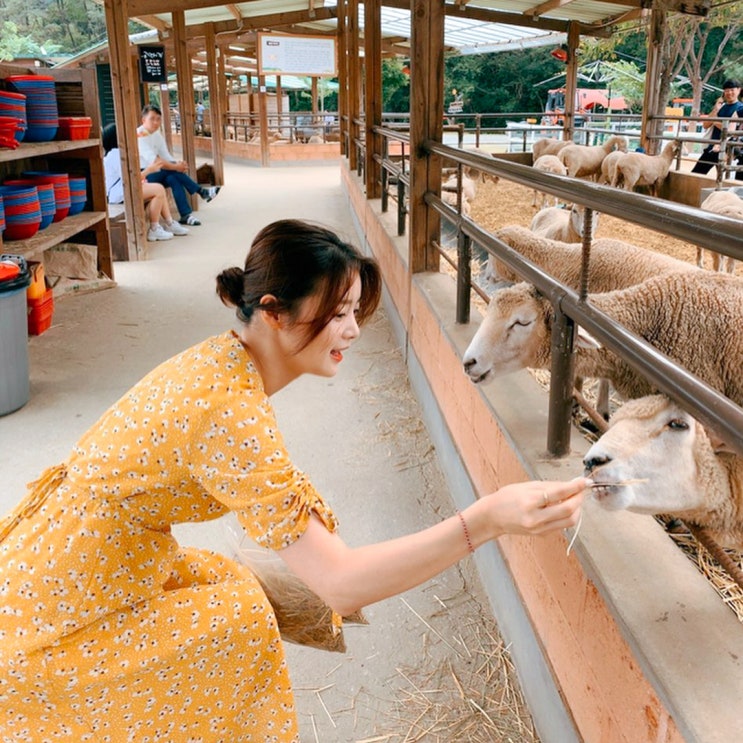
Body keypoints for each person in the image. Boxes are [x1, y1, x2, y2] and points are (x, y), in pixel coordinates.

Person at [0, 220, 588, 740]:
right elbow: (341, 582)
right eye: (336, 314)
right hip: (70, 595)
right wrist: (488, 518)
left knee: (231, 585)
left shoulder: (227, 361)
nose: (353, 330)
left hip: (80, 552)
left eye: (354, 310)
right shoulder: (229, 411)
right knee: (240, 622)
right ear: (275, 311)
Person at [102, 122, 189, 242]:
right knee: (158, 189)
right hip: (118, 194)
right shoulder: (116, 155)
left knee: (158, 190)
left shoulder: (115, 154)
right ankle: (154, 229)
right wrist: (150, 170)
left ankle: (169, 223)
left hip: (122, 190)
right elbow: (130, 180)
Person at [137, 104, 220, 226]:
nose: (155, 122)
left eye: (158, 119)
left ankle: (186, 215)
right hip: (145, 175)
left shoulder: (156, 134)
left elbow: (165, 156)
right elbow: (155, 161)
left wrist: (178, 165)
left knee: (173, 177)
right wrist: (176, 167)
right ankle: (201, 191)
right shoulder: (140, 135)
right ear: (143, 120)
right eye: (152, 118)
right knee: (173, 172)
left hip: (157, 172)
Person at [690, 79, 743, 181]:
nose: (729, 93)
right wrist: (715, 109)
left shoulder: (740, 108)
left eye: (732, 90)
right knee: (696, 174)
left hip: (727, 149)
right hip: (712, 147)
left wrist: (714, 121)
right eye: (726, 90)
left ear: (738, 90)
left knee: (725, 179)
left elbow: (730, 129)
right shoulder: (720, 107)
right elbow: (706, 125)